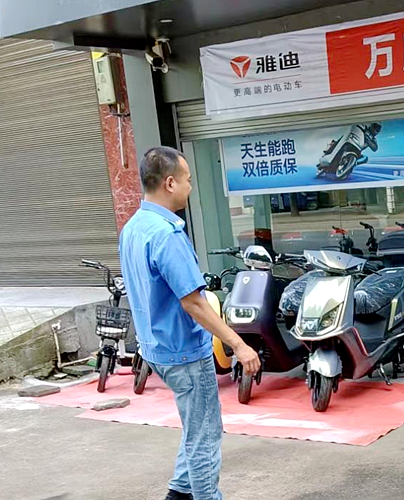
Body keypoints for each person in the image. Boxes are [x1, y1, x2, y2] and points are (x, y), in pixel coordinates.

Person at [119, 146, 261, 500]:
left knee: (196, 427)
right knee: (205, 435)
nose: (190, 187)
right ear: (169, 183)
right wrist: (239, 345)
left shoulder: (133, 228)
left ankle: (179, 493)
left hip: (155, 348)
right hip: (183, 351)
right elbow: (194, 302)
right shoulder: (166, 234)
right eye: (188, 180)